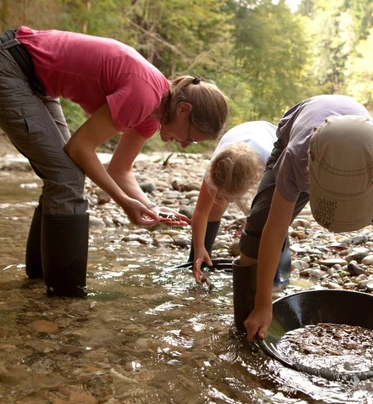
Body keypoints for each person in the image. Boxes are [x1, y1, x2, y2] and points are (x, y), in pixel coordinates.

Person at [0, 26, 229, 298]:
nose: (182, 144)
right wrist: (123, 202)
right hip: (13, 63)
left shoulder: (152, 113)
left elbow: (120, 170)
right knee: (67, 176)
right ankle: (65, 298)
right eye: (189, 138)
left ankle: (39, 279)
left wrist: (150, 205)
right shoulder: (145, 95)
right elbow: (80, 147)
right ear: (183, 110)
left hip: (37, 80)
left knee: (66, 175)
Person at [232, 94, 373, 343]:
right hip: (300, 140)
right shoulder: (295, 159)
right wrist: (264, 304)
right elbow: (274, 231)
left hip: (360, 154)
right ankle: (248, 321)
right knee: (259, 225)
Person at [188, 120, 291, 286]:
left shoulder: (274, 165)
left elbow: (281, 216)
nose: (226, 202)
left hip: (271, 138)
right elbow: (201, 212)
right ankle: (200, 261)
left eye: (229, 197)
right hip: (238, 139)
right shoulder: (217, 166)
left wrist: (251, 221)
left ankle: (280, 276)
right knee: (213, 207)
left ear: (255, 179)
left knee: (272, 218)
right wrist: (199, 247)